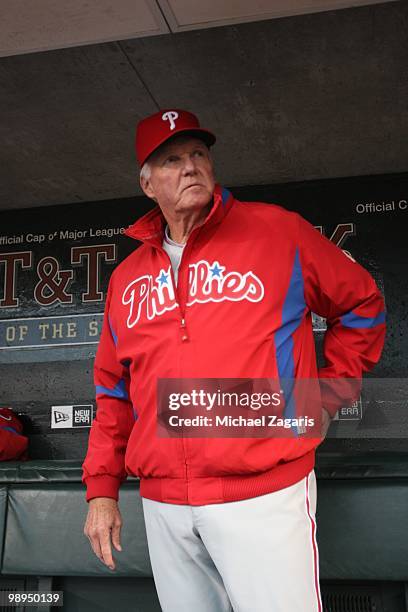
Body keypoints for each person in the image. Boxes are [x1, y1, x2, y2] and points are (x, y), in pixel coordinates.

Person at [82, 109, 386, 611]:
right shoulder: (127, 278)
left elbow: (362, 304)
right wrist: (101, 491)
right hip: (164, 505)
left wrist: (326, 395)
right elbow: (113, 392)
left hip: (262, 495)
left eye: (199, 153)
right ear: (147, 183)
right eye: (172, 160)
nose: (191, 167)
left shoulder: (277, 232)